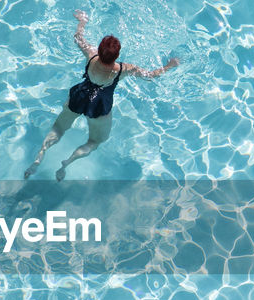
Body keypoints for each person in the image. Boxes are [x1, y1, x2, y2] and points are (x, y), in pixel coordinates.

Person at [24, 10, 180, 180]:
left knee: (59, 128)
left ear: (99, 48)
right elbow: (150, 75)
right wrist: (169, 66)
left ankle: (39, 158)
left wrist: (82, 21)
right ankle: (67, 163)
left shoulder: (91, 55)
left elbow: (78, 37)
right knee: (95, 141)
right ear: (117, 55)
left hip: (79, 95)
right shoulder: (123, 69)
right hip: (99, 105)